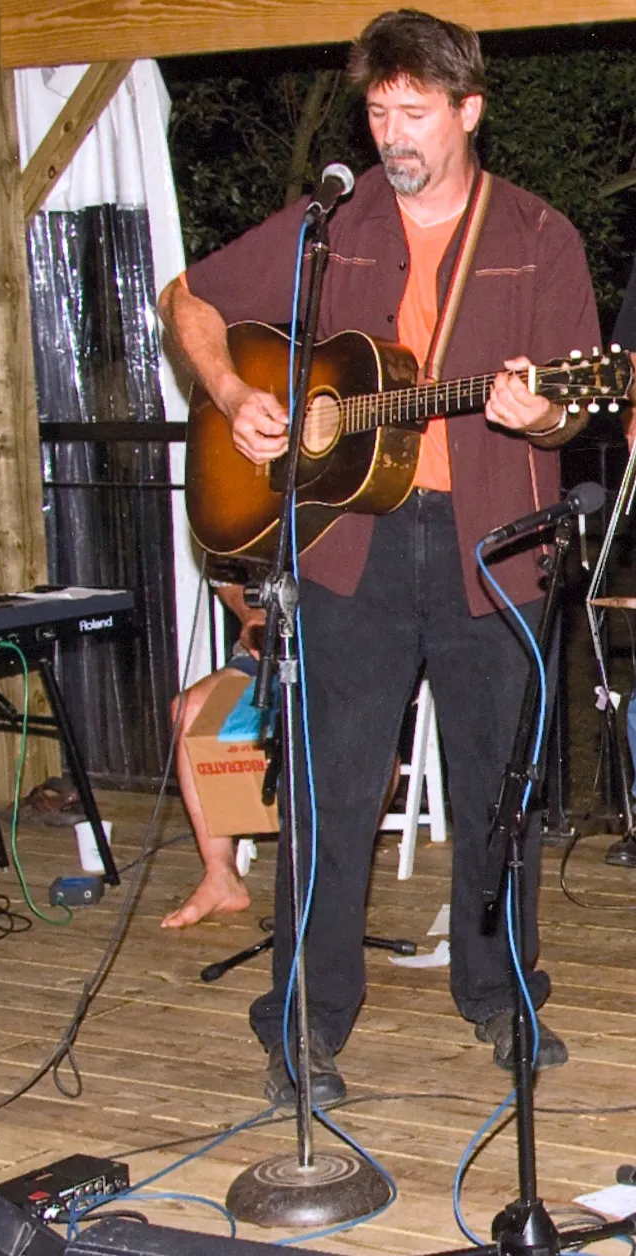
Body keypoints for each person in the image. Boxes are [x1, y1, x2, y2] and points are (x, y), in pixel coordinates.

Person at [157, 9, 601, 1110]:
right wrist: (232, 393)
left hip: (492, 548)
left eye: (414, 114)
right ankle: (303, 1021)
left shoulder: (539, 237)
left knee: (502, 789)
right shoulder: (333, 221)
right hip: (345, 547)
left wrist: (537, 414)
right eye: (377, 112)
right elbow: (191, 297)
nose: (392, 134)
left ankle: (500, 994)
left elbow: (566, 417)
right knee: (328, 792)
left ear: (469, 111)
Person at [161, 579, 264, 929]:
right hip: (263, 655)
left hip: (345, 648)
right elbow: (224, 575)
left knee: (356, 731)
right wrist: (252, 614)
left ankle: (341, 878)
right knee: (191, 710)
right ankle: (222, 876)